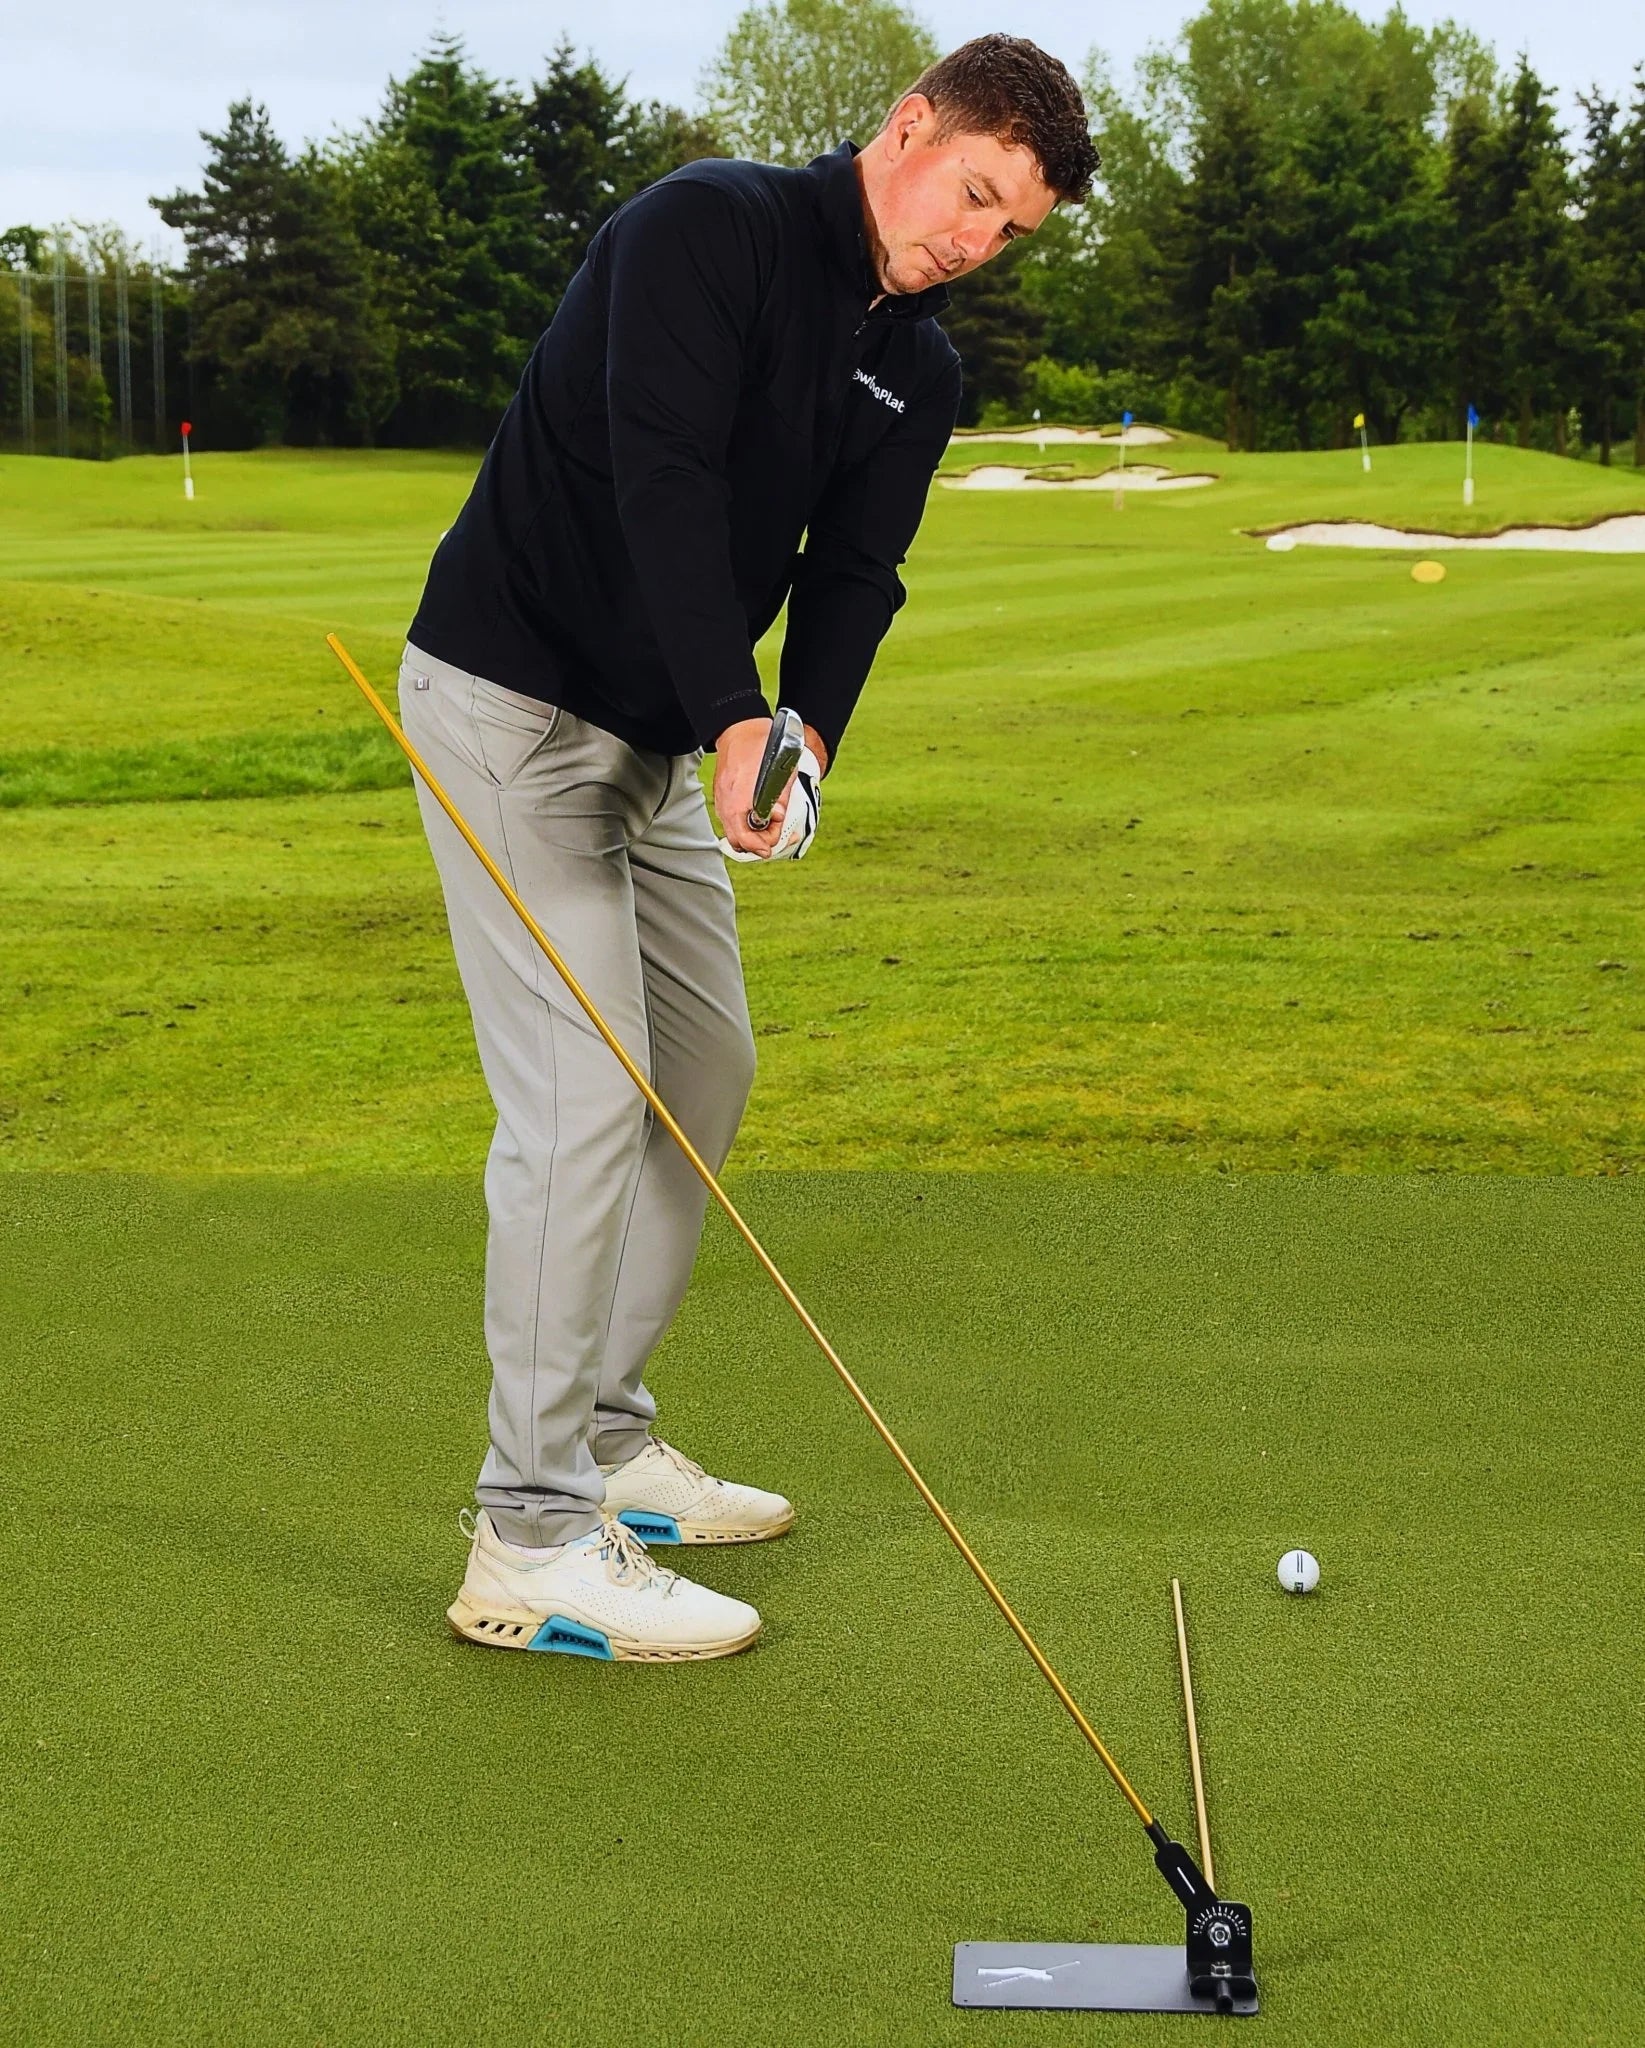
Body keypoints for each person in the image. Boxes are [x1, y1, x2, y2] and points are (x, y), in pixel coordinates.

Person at [399, 34, 1097, 1663]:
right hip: (511, 703)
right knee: (582, 1101)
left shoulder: (917, 366)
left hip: (657, 744)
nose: (974, 243)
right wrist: (734, 709)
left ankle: (603, 1437)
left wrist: (800, 735)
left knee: (702, 1073)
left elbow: (854, 571)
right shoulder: (704, 228)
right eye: (972, 195)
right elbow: (661, 477)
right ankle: (527, 1533)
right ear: (908, 127)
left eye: (1009, 232)